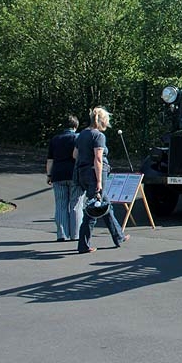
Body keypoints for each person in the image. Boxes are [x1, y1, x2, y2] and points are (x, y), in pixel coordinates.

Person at [74, 106, 129, 254]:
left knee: (105, 205)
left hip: (83, 172)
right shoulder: (98, 136)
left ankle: (118, 236)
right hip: (95, 174)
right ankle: (83, 245)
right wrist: (99, 181)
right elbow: (98, 158)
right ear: (102, 121)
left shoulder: (82, 134)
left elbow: (75, 155)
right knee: (94, 208)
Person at [46, 115, 83, 241]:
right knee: (76, 205)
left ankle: (61, 234)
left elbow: (50, 160)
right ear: (75, 126)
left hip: (58, 174)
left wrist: (49, 175)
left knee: (61, 204)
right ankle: (76, 234)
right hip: (75, 175)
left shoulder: (55, 139)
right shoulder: (78, 138)